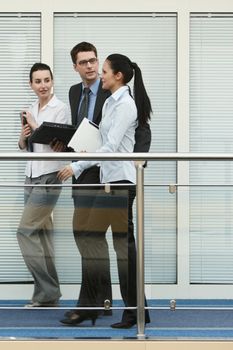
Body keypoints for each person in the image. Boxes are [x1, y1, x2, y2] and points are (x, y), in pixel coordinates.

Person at [57, 53, 152, 328]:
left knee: (122, 248)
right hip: (108, 181)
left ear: (118, 76)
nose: (101, 74)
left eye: (106, 71)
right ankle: (124, 308)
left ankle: (132, 312)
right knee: (99, 239)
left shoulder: (126, 106)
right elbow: (102, 140)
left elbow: (110, 148)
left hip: (121, 184)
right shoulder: (112, 102)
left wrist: (77, 166)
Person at [17, 62, 71, 307]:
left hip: (49, 176)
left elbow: (58, 144)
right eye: (37, 81)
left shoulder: (60, 109)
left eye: (46, 80)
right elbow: (24, 146)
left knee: (24, 232)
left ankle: (47, 292)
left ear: (52, 81)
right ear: (31, 84)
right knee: (41, 235)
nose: (43, 85)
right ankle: (50, 295)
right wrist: (23, 135)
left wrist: (37, 127)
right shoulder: (31, 108)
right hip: (31, 175)